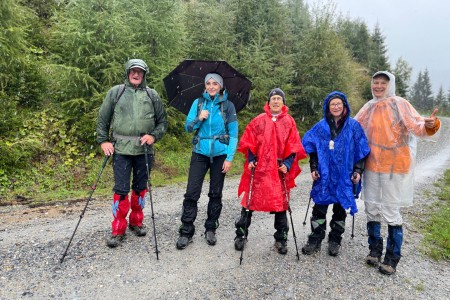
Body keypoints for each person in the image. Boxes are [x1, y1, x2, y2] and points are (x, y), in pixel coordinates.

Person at [355, 71, 440, 275]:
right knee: (372, 207)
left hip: (395, 166)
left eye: (383, 83)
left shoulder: (399, 103)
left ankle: (393, 257)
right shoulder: (369, 106)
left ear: (390, 84)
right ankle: (374, 250)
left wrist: (431, 124)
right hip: (373, 165)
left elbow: (417, 125)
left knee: (391, 210)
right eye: (375, 82)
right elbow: (353, 127)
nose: (378, 86)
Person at [97, 59, 168, 248]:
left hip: (144, 151)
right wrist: (103, 141)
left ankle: (136, 222)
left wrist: (153, 136)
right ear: (128, 73)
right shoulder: (116, 92)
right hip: (121, 150)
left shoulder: (152, 95)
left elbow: (162, 122)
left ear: (144, 75)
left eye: (140, 72)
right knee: (121, 190)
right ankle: (118, 228)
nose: (136, 74)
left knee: (140, 188)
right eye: (133, 71)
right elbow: (103, 118)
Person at [233, 88, 306, 255]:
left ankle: (281, 238)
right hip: (260, 169)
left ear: (283, 102)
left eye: (279, 98)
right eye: (273, 98)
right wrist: (251, 159)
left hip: (278, 170)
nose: (275, 101)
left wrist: (287, 163)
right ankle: (241, 235)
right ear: (268, 101)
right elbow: (249, 141)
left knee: (280, 204)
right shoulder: (259, 120)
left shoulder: (289, 121)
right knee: (249, 203)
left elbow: (294, 145)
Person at [300, 91, 370, 257]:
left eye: (339, 104)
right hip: (324, 175)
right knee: (319, 208)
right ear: (328, 107)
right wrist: (314, 167)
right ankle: (315, 238)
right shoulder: (321, 126)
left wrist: (358, 170)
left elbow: (361, 150)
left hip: (344, 176)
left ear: (344, 105)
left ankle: (335, 240)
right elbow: (312, 148)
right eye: (333, 104)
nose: (336, 107)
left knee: (340, 209)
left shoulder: (353, 126)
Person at [176, 73, 238, 249]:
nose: (211, 86)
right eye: (208, 83)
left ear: (221, 86)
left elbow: (233, 134)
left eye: (215, 83)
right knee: (191, 193)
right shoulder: (198, 103)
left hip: (220, 155)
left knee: (215, 193)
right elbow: (188, 127)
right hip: (199, 153)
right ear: (205, 86)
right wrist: (199, 118)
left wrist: (229, 158)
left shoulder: (228, 106)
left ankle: (211, 228)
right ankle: (186, 230)